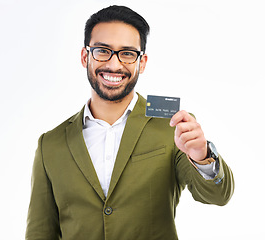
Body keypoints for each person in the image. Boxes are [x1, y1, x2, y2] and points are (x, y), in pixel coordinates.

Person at [25, 5, 234, 240]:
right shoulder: (50, 145)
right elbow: (39, 233)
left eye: (127, 53)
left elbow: (218, 196)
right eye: (102, 51)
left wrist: (202, 156)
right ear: (85, 57)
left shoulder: (173, 127)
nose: (114, 65)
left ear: (141, 62)